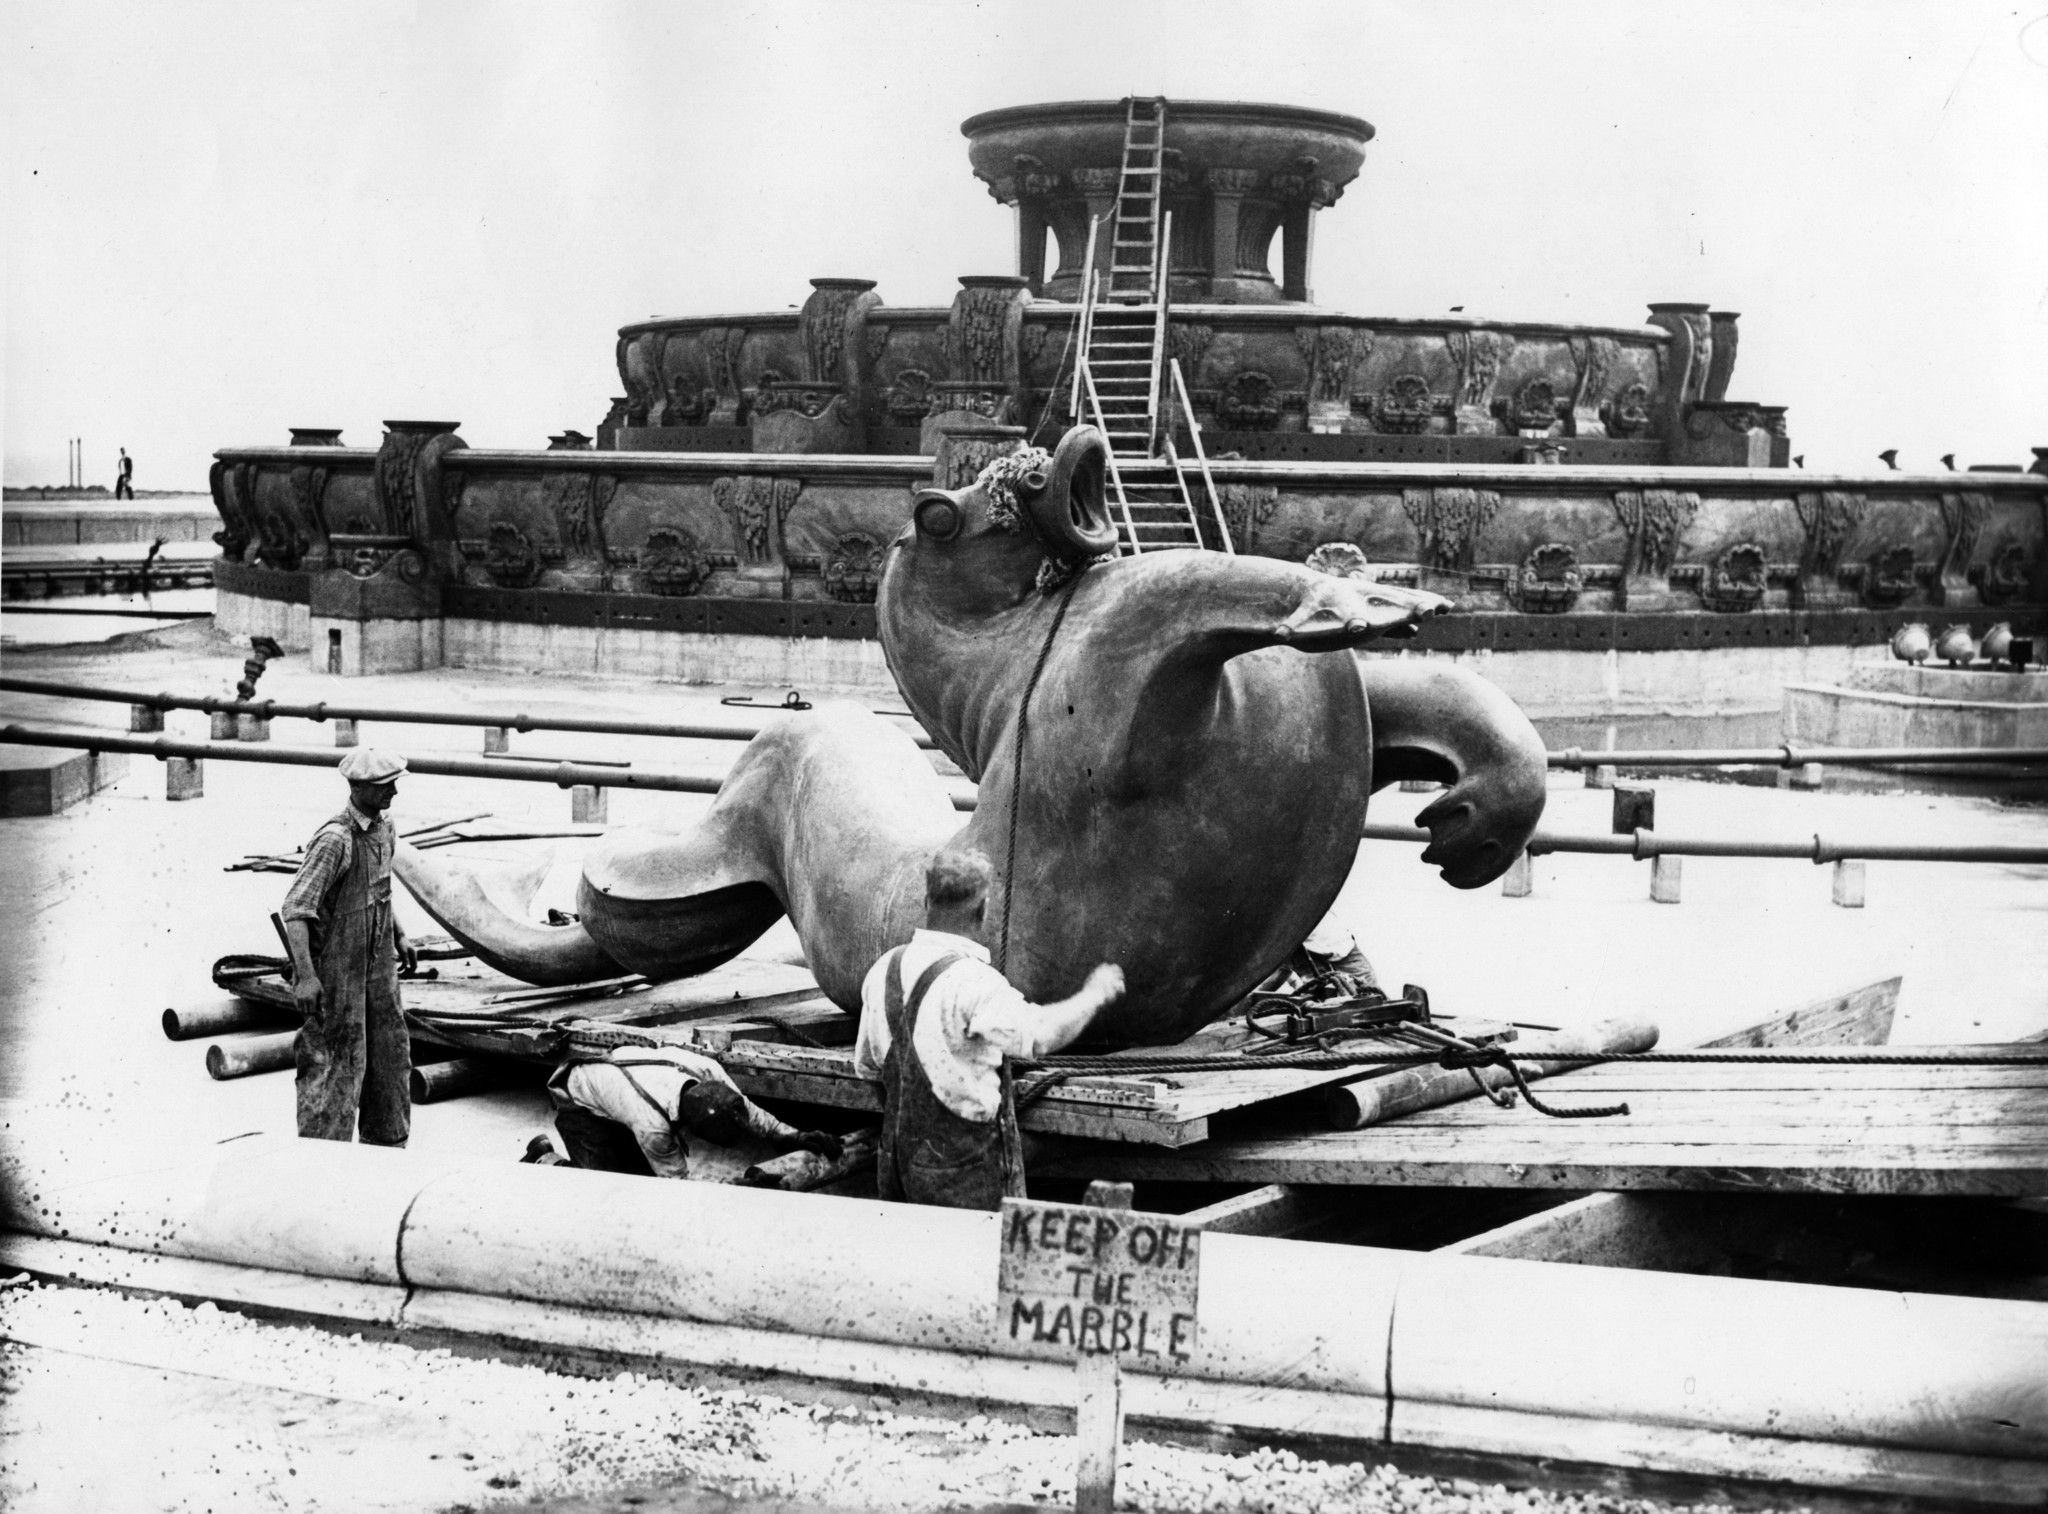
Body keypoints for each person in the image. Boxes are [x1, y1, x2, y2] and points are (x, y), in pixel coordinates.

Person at [854, 847, 1124, 1210]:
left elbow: (869, 1068)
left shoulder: (883, 969)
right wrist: (1093, 995)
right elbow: (1040, 1035)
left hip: (896, 1164)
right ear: (983, 910)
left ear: (925, 901)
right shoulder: (975, 982)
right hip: (963, 1173)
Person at [279, 748, 415, 1145]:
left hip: (379, 974)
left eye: (393, 783)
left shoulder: (385, 828)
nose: (393, 792)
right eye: (384, 786)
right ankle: (323, 1163)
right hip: (338, 978)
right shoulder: (335, 840)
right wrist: (306, 977)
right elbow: (296, 909)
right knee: (335, 1067)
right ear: (357, 787)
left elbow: (381, 891)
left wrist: (399, 935)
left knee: (390, 1061)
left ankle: (387, 1151)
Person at [546, 1045, 843, 1178]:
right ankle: (545, 1159)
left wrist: (792, 1136)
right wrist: (735, 1188)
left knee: (640, 1180)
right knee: (610, 1190)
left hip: (617, 1091)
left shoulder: (708, 1070)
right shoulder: (653, 1126)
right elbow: (677, 1185)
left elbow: (748, 1111)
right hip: (577, 1101)